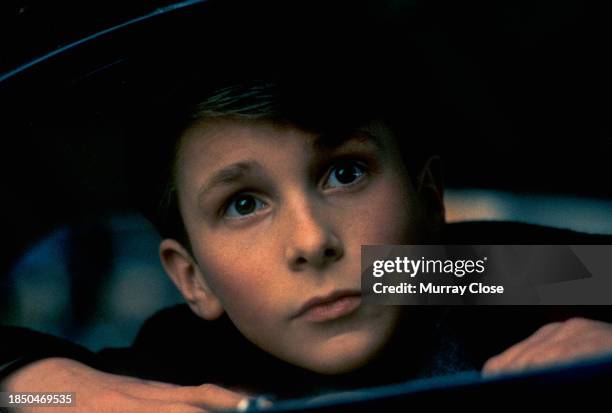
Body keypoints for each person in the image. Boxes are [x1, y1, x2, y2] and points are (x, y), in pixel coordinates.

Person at [2, 80, 612, 413]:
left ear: (429, 201)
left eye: (344, 173)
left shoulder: (469, 273)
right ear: (195, 280)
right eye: (243, 204)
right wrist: (35, 389)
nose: (312, 242)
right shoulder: (186, 366)